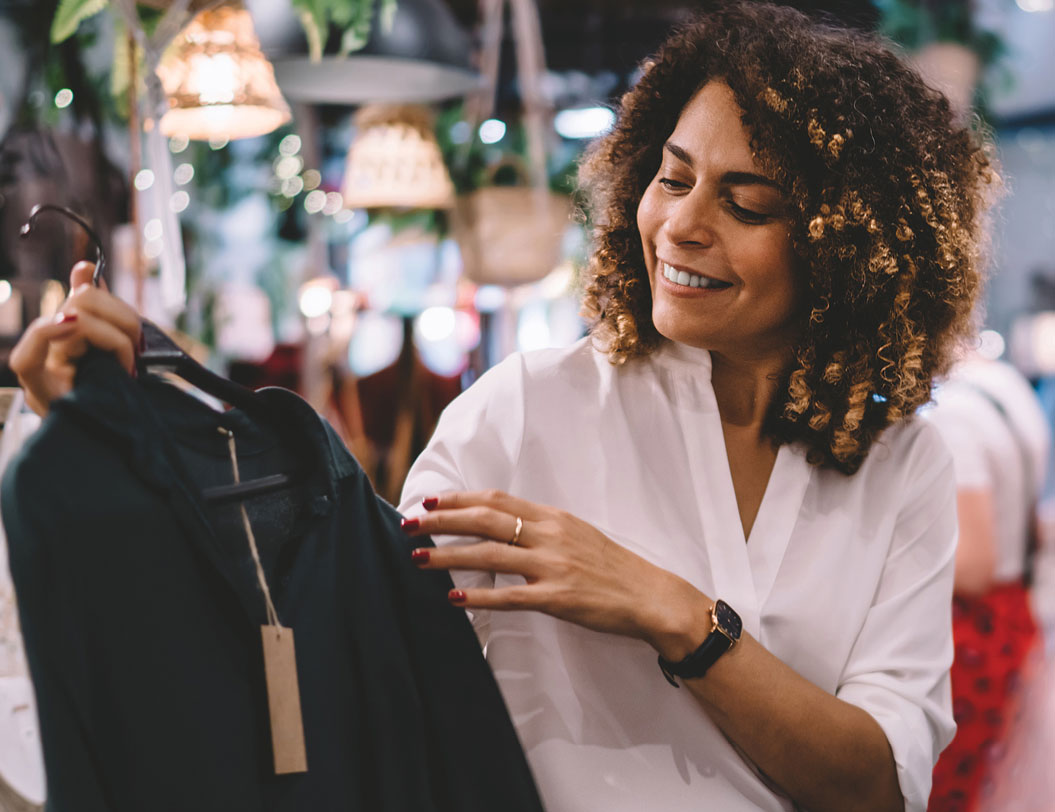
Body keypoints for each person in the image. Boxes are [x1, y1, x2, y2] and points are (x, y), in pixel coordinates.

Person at [10, 4, 998, 811]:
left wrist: (669, 610)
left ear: (847, 246)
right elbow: (341, 628)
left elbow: (875, 780)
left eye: (746, 203)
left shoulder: (897, 462)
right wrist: (130, 435)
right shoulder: (529, 409)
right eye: (672, 176)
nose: (682, 225)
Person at [922, 354, 1050, 811]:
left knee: (948, 792)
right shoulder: (1006, 385)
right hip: (1015, 614)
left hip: (972, 637)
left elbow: (973, 568)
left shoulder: (951, 414)